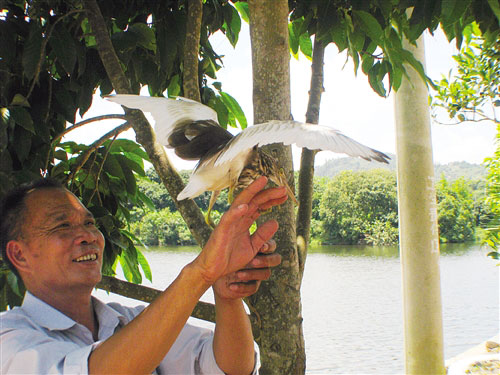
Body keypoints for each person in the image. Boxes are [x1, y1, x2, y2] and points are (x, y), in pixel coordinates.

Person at [0, 176, 287, 374]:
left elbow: (229, 369)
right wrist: (201, 273)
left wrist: (227, 294)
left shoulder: (132, 321)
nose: (87, 235)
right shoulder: (9, 339)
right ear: (19, 255)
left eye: (89, 222)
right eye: (62, 226)